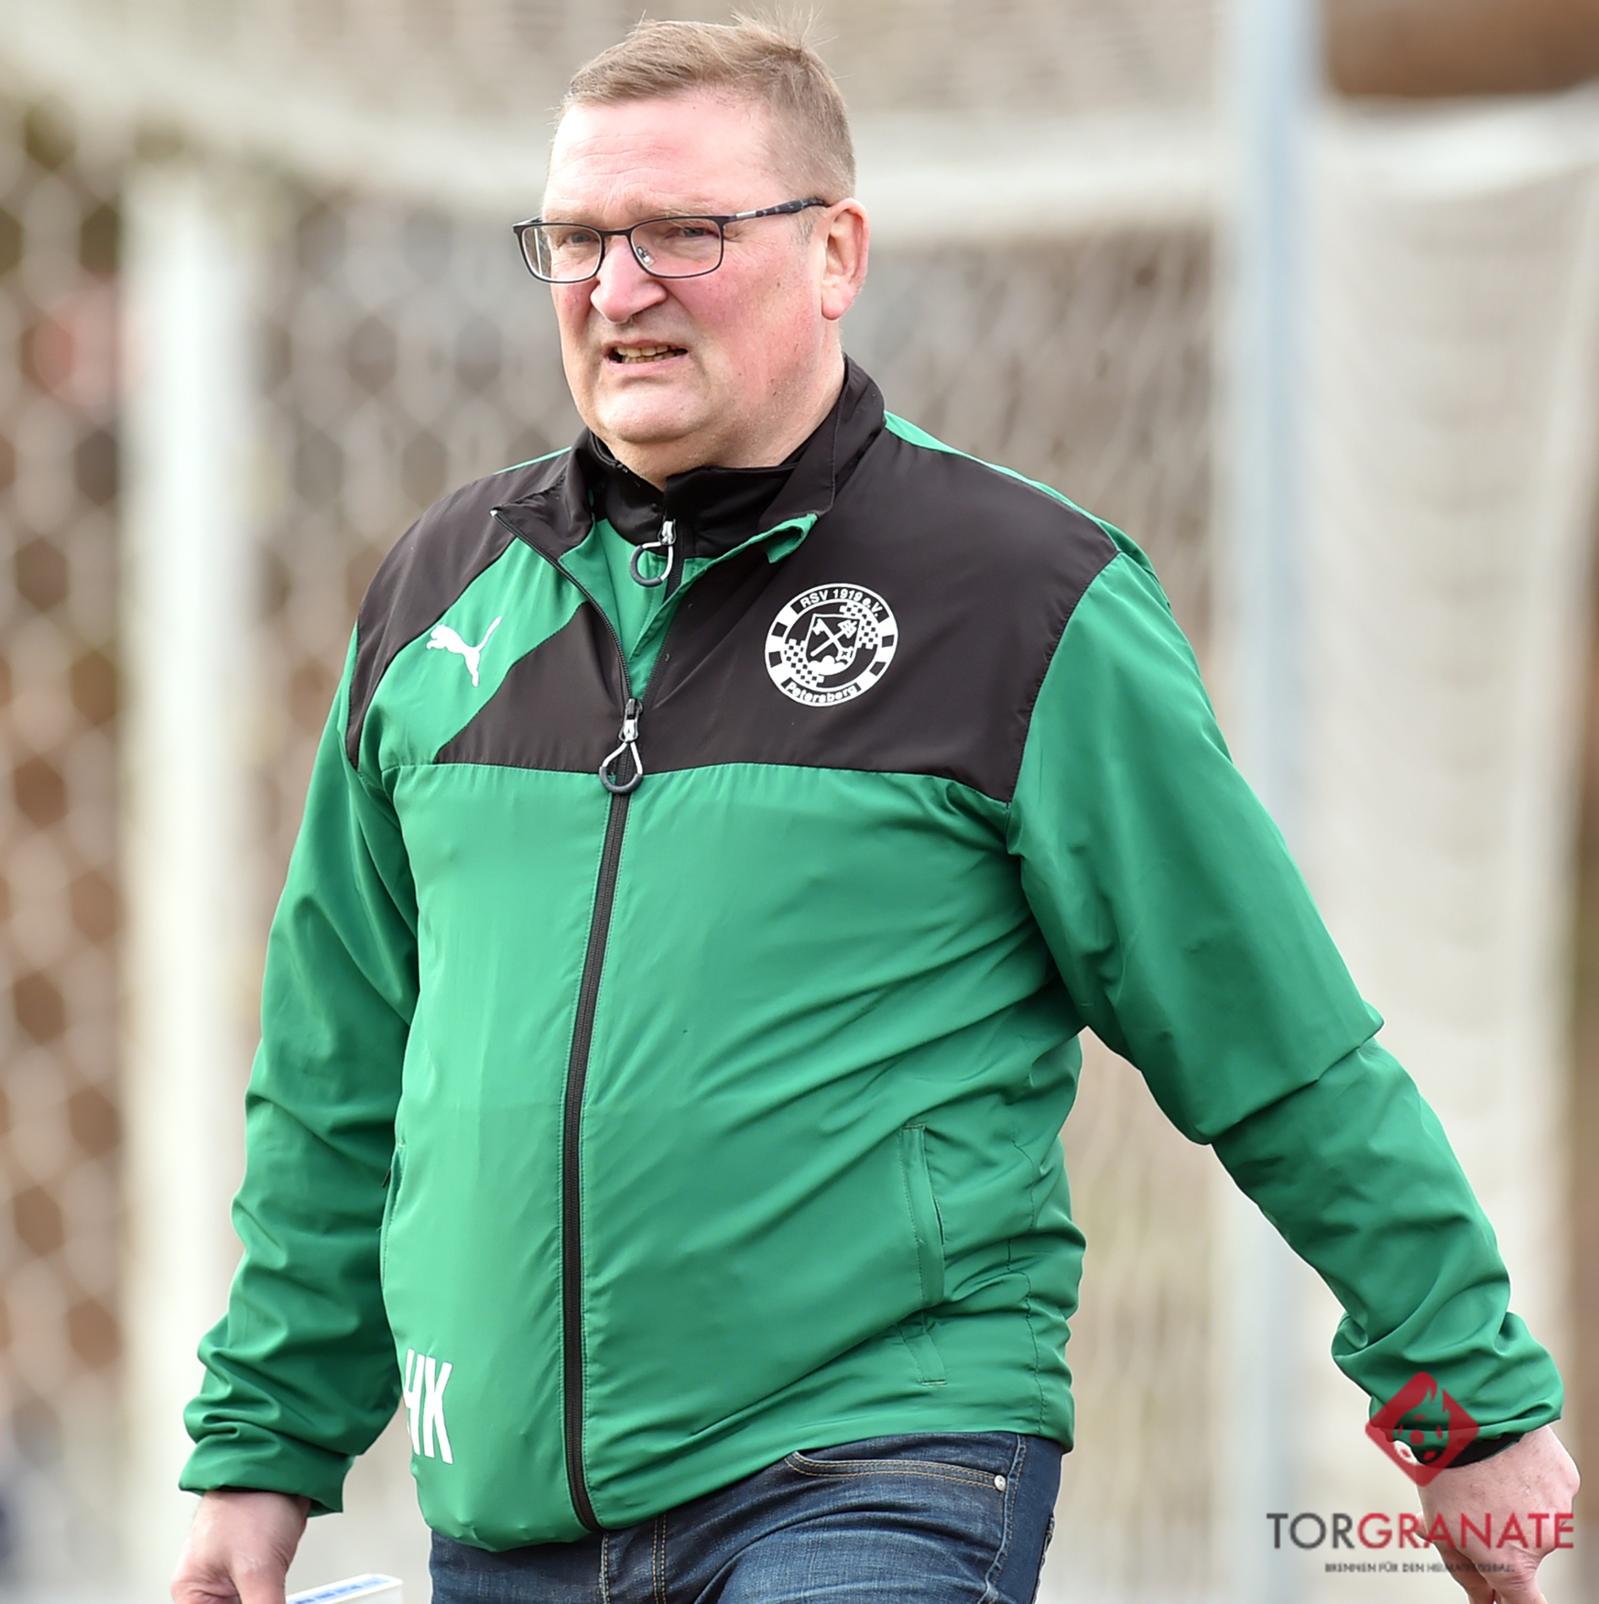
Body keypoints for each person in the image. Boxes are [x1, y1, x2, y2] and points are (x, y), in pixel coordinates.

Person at [171, 17, 1580, 1604]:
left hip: (875, 1470)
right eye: (576, 239)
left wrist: (1465, 1410)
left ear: (836, 252)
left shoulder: (1026, 596)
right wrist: (260, 1452)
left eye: (684, 233)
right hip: (507, 1520)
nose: (617, 290)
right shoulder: (443, 589)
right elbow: (338, 1069)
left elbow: (1273, 1040)